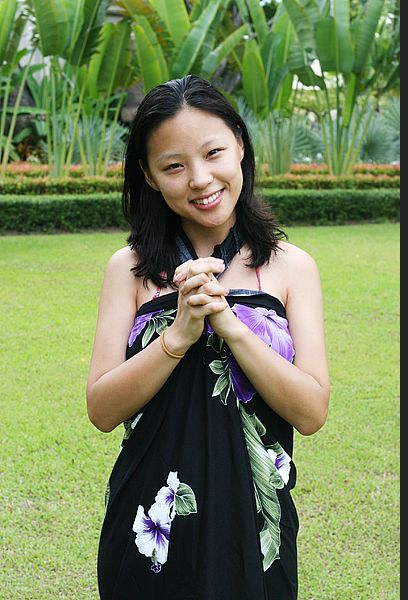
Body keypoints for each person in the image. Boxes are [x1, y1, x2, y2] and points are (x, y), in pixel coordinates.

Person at [86, 74, 329, 600]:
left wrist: (229, 326)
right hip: (150, 525)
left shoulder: (291, 268)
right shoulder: (127, 269)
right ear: (149, 177)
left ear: (240, 146)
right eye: (173, 166)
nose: (200, 179)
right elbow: (102, 410)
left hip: (255, 529)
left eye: (213, 152)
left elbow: (311, 412)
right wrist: (177, 335)